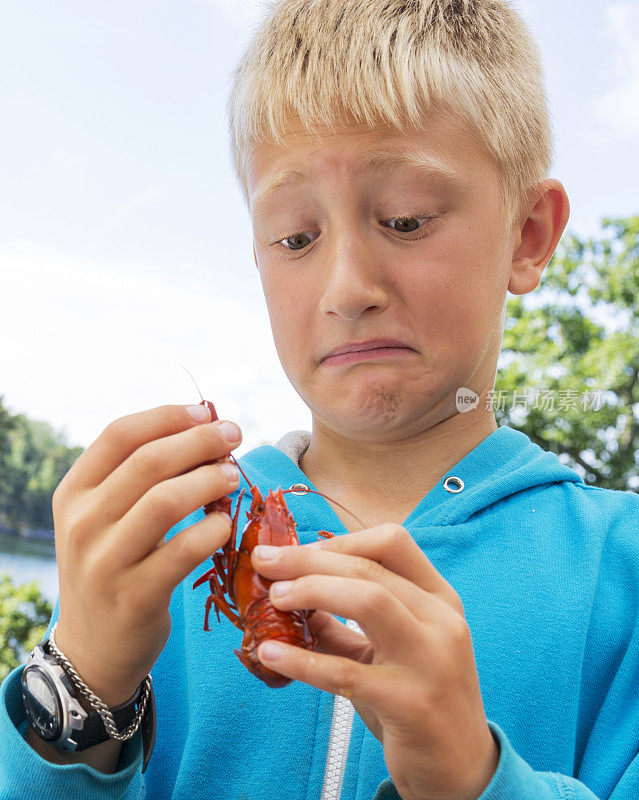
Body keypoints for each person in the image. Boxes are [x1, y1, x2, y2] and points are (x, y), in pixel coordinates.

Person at [1, 0, 638, 798]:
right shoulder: (169, 546)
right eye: (295, 238)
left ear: (527, 235)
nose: (346, 289)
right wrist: (78, 682)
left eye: (405, 219)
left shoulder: (624, 569)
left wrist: (475, 780)